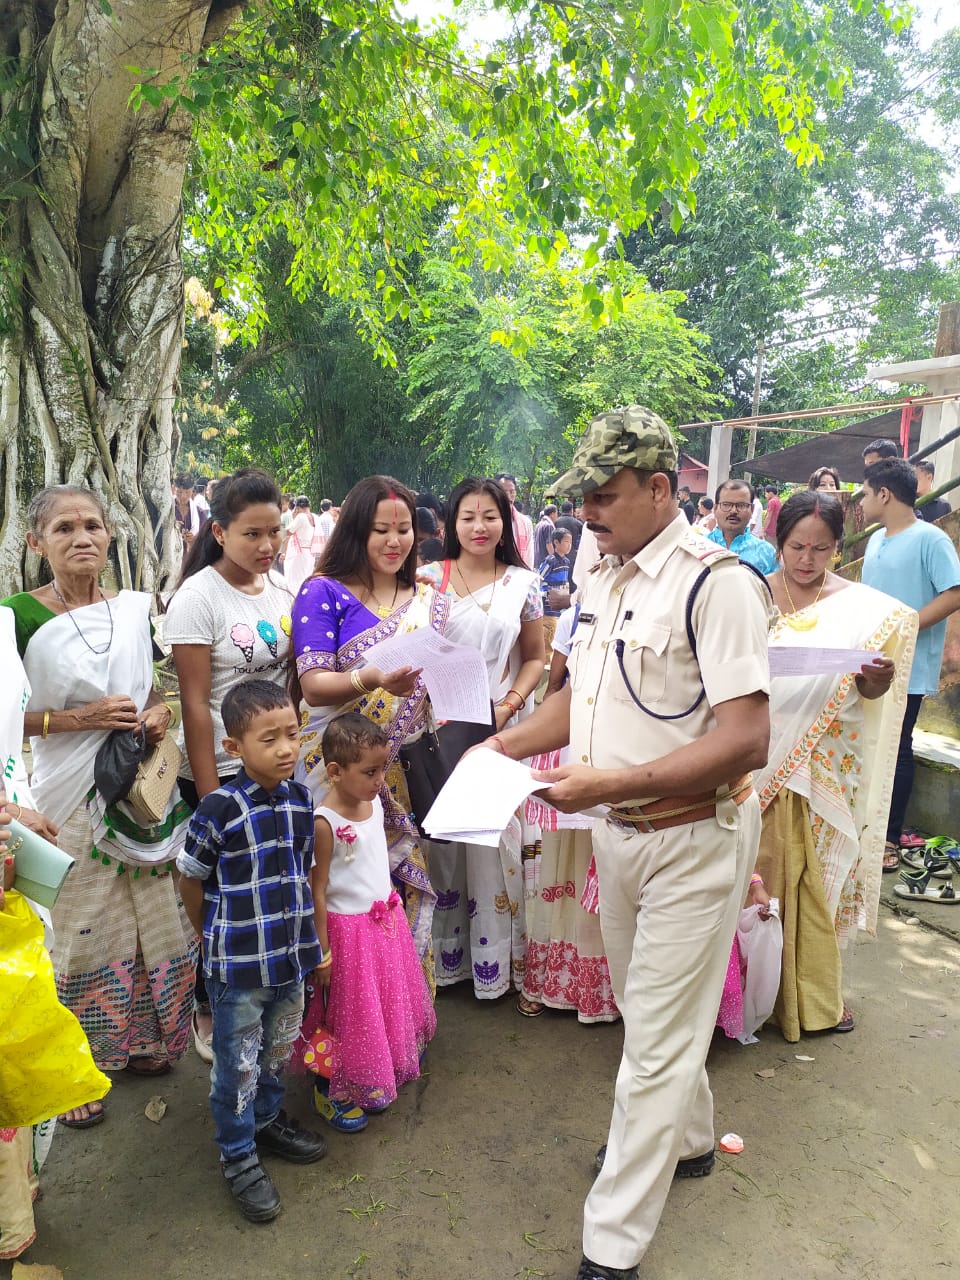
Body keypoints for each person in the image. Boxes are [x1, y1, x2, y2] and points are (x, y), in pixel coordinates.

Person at [484, 406, 771, 1280]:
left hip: (694, 835)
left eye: (605, 497)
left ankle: (611, 1243)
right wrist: (505, 747)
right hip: (621, 836)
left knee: (650, 1039)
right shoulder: (603, 578)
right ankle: (686, 1142)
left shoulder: (716, 584)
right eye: (582, 500)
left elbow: (747, 738)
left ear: (659, 488)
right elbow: (585, 700)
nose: (588, 515)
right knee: (654, 1013)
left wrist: (606, 784)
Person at [2, 486, 196, 1123]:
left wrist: (159, 712)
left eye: (92, 525)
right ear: (36, 543)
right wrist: (73, 719)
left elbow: (155, 686)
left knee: (149, 908)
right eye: (63, 528)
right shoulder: (16, 618)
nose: (81, 537)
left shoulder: (136, 608)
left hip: (140, 784)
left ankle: (145, 1038)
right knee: (80, 915)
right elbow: (7, 719)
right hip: (68, 787)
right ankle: (79, 1066)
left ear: (111, 535)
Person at [755, 491, 917, 1038]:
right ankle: (746, 995)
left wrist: (876, 680)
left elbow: (868, 694)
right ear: (779, 543)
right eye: (797, 546)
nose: (806, 559)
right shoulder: (754, 596)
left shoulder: (860, 608)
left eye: (820, 549)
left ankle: (806, 998)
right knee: (757, 880)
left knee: (808, 883)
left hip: (815, 766)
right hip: (751, 760)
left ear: (836, 549)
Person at [292, 474, 450, 1016]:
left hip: (401, 767)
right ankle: (342, 1022)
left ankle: (398, 1013)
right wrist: (374, 679)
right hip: (335, 774)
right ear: (356, 531)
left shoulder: (424, 597)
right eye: (380, 529)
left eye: (404, 529)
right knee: (341, 896)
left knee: (394, 891)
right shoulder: (323, 592)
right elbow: (313, 685)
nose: (394, 541)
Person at [177, 681, 326, 1223]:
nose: (287, 748)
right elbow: (190, 877)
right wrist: (207, 935)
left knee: (276, 1049)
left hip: (288, 959)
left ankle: (266, 1120)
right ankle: (237, 1154)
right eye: (270, 739)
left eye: (292, 733)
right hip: (239, 966)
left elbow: (303, 873)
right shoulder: (219, 808)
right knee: (235, 1064)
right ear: (234, 747)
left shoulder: (301, 798)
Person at [164, 467, 294, 1062]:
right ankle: (209, 1003)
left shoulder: (281, 590)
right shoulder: (197, 598)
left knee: (262, 891)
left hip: (273, 772)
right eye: (252, 535)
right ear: (219, 532)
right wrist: (216, 796)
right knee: (219, 894)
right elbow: (194, 703)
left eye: (275, 532)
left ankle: (263, 1000)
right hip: (219, 773)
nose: (266, 547)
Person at [419, 477, 545, 1000]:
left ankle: (495, 966)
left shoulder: (524, 583)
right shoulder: (426, 580)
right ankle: (441, 961)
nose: (479, 526)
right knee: (439, 844)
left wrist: (507, 707)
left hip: (497, 728)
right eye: (468, 516)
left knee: (492, 843)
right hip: (432, 730)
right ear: (451, 524)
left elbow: (535, 657)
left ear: (505, 522)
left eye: (489, 516)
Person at [296, 713, 436, 1127]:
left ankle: (382, 1063)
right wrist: (322, 951)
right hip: (346, 933)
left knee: (381, 1001)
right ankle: (331, 1089)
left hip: (384, 923)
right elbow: (316, 888)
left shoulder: (374, 802)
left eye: (383, 769)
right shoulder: (325, 823)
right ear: (335, 772)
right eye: (370, 771)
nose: (380, 780)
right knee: (343, 1012)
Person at [859, 459, 960, 889]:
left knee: (897, 747)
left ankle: (888, 837)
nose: (860, 501)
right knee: (867, 742)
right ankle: (864, 828)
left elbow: (955, 592)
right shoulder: (875, 540)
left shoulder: (930, 539)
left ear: (884, 494)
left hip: (909, 667)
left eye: (864, 492)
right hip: (867, 660)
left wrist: (908, 625)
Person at [519, 605, 619, 1023]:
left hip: (617, 753)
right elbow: (557, 683)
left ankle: (599, 986)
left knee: (603, 867)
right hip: (572, 744)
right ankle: (554, 980)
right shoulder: (583, 609)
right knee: (564, 867)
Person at [707, 479, 779, 573]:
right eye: (726, 504)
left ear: (752, 509)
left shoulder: (767, 553)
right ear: (715, 509)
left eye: (741, 505)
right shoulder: (699, 547)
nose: (733, 511)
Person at [282, 495, 328, 593]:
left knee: (295, 579)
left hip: (299, 553)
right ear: (309, 505)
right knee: (306, 577)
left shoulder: (301, 517)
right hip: (310, 552)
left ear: (297, 507)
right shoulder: (315, 517)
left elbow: (288, 531)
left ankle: (295, 599)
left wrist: (294, 517)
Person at [494, 472, 535, 567]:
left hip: (517, 576)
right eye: (504, 492)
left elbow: (529, 558)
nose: (508, 497)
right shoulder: (486, 521)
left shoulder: (525, 523)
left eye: (512, 492)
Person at [174, 472, 205, 559]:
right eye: (179, 492)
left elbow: (204, 540)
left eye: (187, 492)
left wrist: (193, 539)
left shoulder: (200, 513)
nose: (183, 496)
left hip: (190, 560)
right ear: (173, 488)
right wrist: (171, 527)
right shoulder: (167, 512)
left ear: (192, 490)